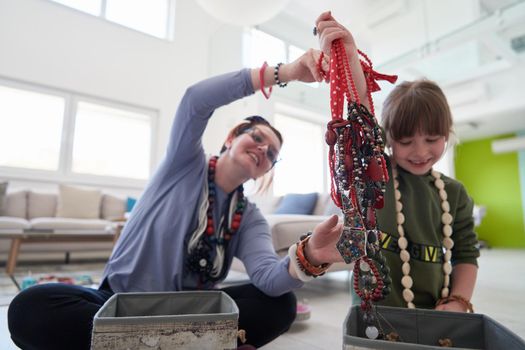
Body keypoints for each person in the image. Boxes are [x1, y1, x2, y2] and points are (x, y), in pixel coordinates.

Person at [7, 50, 345, 350]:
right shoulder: (184, 163)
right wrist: (284, 73)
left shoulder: (250, 217)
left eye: (271, 153)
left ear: (265, 171)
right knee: (29, 308)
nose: (261, 149)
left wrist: (310, 255)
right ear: (231, 138)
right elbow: (196, 100)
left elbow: (269, 279)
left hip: (195, 311)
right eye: (256, 137)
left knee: (281, 304)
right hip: (120, 303)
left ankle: (145, 344)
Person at [315, 11, 479, 312]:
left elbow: (466, 254)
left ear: (448, 134)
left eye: (432, 139)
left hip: (434, 316)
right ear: (388, 139)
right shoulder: (377, 173)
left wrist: (457, 301)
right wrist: (350, 56)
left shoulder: (454, 194)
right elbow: (360, 117)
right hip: (372, 319)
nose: (420, 152)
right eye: (405, 142)